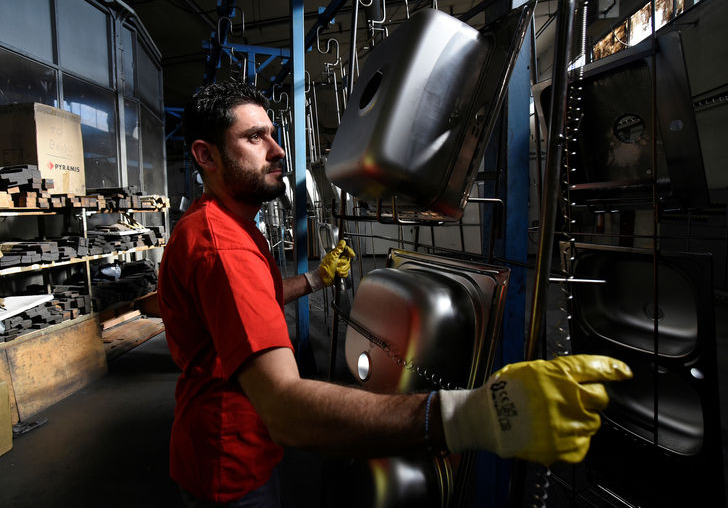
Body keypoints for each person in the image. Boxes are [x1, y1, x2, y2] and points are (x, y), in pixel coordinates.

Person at [157, 80, 633, 507]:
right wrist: (472, 415)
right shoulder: (222, 247)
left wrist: (318, 280)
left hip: (235, 441)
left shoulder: (224, 225)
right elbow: (286, 410)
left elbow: (244, 303)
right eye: (253, 137)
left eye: (272, 133)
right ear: (206, 155)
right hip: (228, 459)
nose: (278, 150)